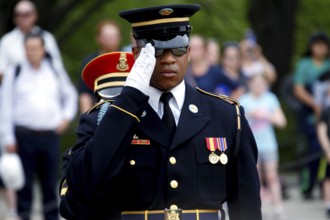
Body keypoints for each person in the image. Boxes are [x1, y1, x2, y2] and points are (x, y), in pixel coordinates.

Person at [59, 4, 261, 220]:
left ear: (190, 52)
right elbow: (75, 202)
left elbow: (246, 207)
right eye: (156, 50)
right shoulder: (105, 117)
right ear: (136, 54)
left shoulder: (227, 115)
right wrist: (129, 101)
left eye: (179, 48)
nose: (168, 58)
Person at [0, 32, 77, 220]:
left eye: (35, 48)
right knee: (24, 183)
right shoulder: (15, 71)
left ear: (43, 49)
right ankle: (24, 215)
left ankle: (51, 216)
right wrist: (7, 138)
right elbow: (5, 105)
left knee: (50, 181)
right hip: (23, 134)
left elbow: (70, 95)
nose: (31, 52)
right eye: (28, 48)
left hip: (49, 134)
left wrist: (65, 118)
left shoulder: (54, 70)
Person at [239, 74, 287, 219]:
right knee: (256, 177)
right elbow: (238, 123)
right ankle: (260, 207)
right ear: (250, 84)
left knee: (272, 176)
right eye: (255, 83)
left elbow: (281, 122)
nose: (258, 86)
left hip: (269, 145)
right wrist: (251, 114)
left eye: (261, 83)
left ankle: (278, 207)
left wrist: (267, 115)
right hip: (251, 145)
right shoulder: (244, 100)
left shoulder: (271, 98)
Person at [293, 31, 330, 199]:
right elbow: (298, 88)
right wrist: (315, 104)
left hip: (327, 112)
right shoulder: (304, 64)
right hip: (310, 112)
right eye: (317, 44)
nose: (320, 48)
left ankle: (325, 185)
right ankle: (309, 183)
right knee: (312, 149)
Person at [78, 20, 122, 114]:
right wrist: (86, 118)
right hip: (97, 113)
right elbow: (85, 94)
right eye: (107, 36)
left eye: (114, 36)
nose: (111, 39)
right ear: (98, 38)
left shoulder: (127, 60)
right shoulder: (90, 62)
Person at [185, 35, 242, 99]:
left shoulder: (214, 70)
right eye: (189, 48)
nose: (192, 51)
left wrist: (227, 106)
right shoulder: (184, 71)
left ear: (204, 50)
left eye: (195, 48)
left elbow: (238, 89)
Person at [317, 107, 330, 218]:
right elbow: (322, 132)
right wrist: (327, 150)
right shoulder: (326, 111)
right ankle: (328, 205)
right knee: (327, 179)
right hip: (328, 151)